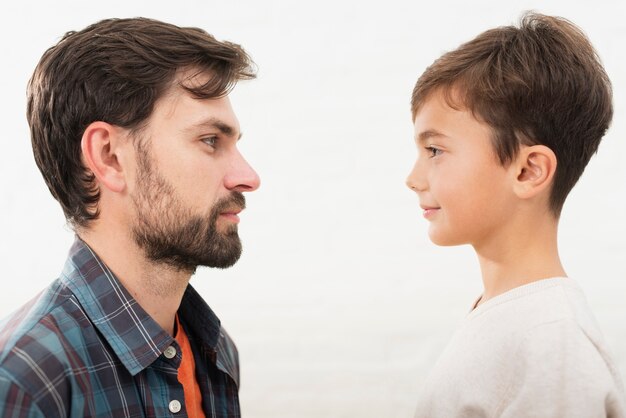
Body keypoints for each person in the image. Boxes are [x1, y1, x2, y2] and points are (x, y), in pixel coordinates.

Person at [0, 17, 260, 417]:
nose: (248, 177)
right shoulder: (25, 381)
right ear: (109, 157)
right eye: (210, 141)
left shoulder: (216, 352)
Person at [406, 12, 625, 417]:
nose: (413, 178)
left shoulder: (553, 347)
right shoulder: (513, 319)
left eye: (434, 150)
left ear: (528, 171)